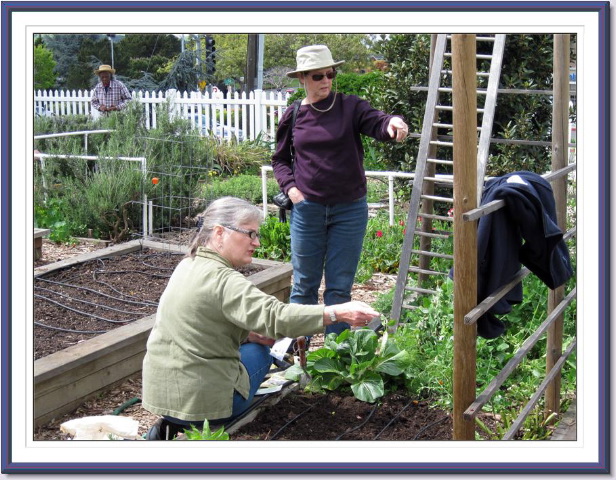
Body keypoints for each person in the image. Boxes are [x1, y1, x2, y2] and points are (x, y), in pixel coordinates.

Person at [141, 196, 379, 440]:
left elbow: (201, 326)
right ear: (220, 232)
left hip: (160, 396)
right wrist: (337, 312)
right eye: (251, 234)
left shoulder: (188, 265)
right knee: (261, 353)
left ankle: (169, 425)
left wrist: (246, 334)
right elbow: (277, 317)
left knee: (251, 342)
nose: (257, 242)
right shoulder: (224, 280)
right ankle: (217, 418)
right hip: (202, 405)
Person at [271, 45, 408, 337]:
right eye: (318, 76)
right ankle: (299, 354)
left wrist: (392, 123)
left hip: (349, 210)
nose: (326, 81)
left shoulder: (350, 107)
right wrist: (292, 190)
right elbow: (280, 160)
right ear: (302, 79)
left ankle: (336, 359)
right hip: (307, 210)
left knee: (340, 287)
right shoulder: (293, 115)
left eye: (330, 74)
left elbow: (377, 122)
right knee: (304, 285)